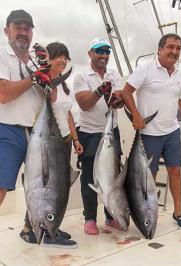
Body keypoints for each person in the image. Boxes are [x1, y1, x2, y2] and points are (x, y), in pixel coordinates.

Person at [0, 10, 78, 266]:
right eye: (17, 27)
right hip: (7, 132)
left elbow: (51, 98)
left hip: (38, 133)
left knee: (47, 187)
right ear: (6, 30)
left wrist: (48, 77)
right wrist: (34, 77)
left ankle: (39, 229)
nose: (23, 32)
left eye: (27, 28)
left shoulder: (36, 60)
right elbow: (3, 94)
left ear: (32, 31)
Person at [121, 33, 181, 230]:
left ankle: (178, 212)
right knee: (150, 175)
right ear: (159, 49)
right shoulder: (145, 69)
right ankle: (147, 212)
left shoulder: (180, 76)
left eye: (178, 48)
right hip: (149, 133)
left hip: (171, 131)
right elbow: (125, 92)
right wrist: (137, 116)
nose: (174, 51)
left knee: (175, 171)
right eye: (170, 47)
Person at [19, 41, 83, 244]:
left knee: (57, 186)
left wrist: (75, 139)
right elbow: (47, 99)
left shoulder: (65, 86)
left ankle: (51, 226)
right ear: (51, 58)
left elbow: (69, 114)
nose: (64, 60)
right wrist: (46, 81)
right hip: (45, 140)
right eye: (60, 56)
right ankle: (30, 228)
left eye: (66, 57)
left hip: (62, 141)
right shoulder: (41, 81)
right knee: (40, 183)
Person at [73, 38, 124, 235]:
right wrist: (99, 90)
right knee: (89, 177)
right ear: (90, 54)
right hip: (89, 133)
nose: (103, 55)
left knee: (112, 176)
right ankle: (90, 219)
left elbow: (118, 102)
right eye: (99, 51)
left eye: (106, 51)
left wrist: (115, 98)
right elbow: (85, 104)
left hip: (111, 131)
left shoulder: (114, 73)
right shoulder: (81, 76)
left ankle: (111, 216)